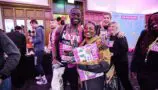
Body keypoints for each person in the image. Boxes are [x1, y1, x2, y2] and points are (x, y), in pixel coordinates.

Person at [52, 8, 83, 90]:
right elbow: (54, 44)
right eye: (73, 14)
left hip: (74, 65)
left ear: (81, 17)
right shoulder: (61, 29)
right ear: (69, 15)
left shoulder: (82, 31)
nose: (76, 17)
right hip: (61, 63)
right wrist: (54, 58)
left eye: (78, 15)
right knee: (61, 86)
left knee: (74, 86)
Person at [76, 21, 111, 90]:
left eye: (91, 28)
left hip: (95, 80)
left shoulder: (100, 43)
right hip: (83, 78)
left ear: (95, 31)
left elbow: (106, 64)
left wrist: (85, 66)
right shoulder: (83, 42)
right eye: (86, 28)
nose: (87, 30)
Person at [131, 12, 158, 90]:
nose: (154, 23)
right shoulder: (145, 33)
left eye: (156, 20)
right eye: (152, 21)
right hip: (143, 72)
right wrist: (133, 68)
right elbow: (137, 51)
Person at [107, 22, 133, 90]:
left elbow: (125, 49)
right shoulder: (110, 36)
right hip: (113, 62)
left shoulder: (121, 36)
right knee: (115, 79)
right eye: (110, 26)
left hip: (122, 62)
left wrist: (114, 53)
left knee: (124, 80)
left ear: (117, 27)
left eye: (113, 26)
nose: (111, 28)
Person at [30, 19, 47, 85]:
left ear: (34, 23)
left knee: (37, 65)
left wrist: (32, 40)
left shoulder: (38, 29)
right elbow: (39, 38)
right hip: (39, 49)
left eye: (31, 25)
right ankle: (41, 76)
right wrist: (33, 36)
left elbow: (39, 39)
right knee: (38, 64)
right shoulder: (40, 29)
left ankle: (44, 80)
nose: (31, 26)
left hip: (38, 50)